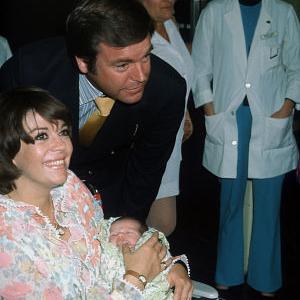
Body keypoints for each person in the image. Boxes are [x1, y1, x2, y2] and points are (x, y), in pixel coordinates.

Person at [0, 0, 186, 225]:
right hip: (28, 194)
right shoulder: (29, 71)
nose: (141, 76)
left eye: (145, 57)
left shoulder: (167, 90)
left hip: (110, 192)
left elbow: (145, 174)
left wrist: (122, 230)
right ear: (83, 62)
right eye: (122, 65)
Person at [0, 86, 192, 299]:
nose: (62, 146)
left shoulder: (68, 188)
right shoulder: (6, 239)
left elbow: (114, 243)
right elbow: (133, 272)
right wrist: (136, 277)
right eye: (42, 135)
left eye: (63, 132)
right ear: (8, 152)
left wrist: (171, 266)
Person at [192, 0, 300, 297]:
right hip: (229, 118)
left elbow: (296, 66)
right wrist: (210, 108)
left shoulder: (283, 12)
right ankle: (227, 271)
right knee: (231, 201)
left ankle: (265, 277)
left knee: (268, 205)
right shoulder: (214, 12)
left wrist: (287, 106)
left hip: (270, 118)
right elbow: (199, 68)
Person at [138, 0, 194, 236]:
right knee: (159, 223)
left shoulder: (169, 23)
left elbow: (180, 71)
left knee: (161, 226)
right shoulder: (134, 34)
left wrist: (185, 112)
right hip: (148, 138)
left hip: (172, 136)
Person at [99, 216, 190, 299]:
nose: (120, 236)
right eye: (113, 234)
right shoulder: (106, 254)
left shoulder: (150, 250)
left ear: (144, 237)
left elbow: (171, 260)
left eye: (128, 233)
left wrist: (178, 266)